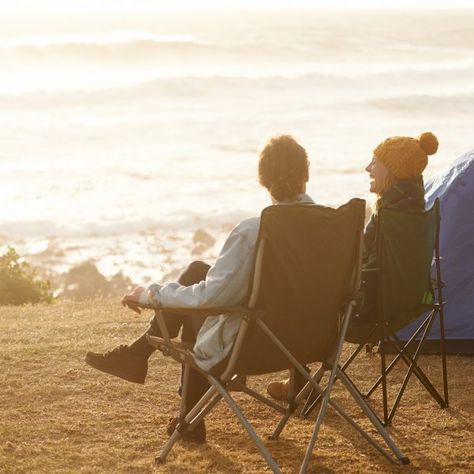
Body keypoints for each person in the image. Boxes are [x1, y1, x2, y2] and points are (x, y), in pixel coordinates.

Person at [85, 134, 314, 442]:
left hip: (255, 343)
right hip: (311, 343)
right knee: (196, 271)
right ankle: (139, 355)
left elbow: (209, 298)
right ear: (306, 174)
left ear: (263, 180)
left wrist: (152, 295)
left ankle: (188, 420)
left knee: (199, 308)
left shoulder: (254, 231)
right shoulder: (335, 227)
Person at [266, 131, 439, 401]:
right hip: (411, 303)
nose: (368, 168)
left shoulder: (388, 217)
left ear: (392, 169)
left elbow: (357, 262)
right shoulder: (415, 213)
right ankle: (300, 381)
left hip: (370, 311)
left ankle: (299, 383)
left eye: (375, 162)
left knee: (304, 292)